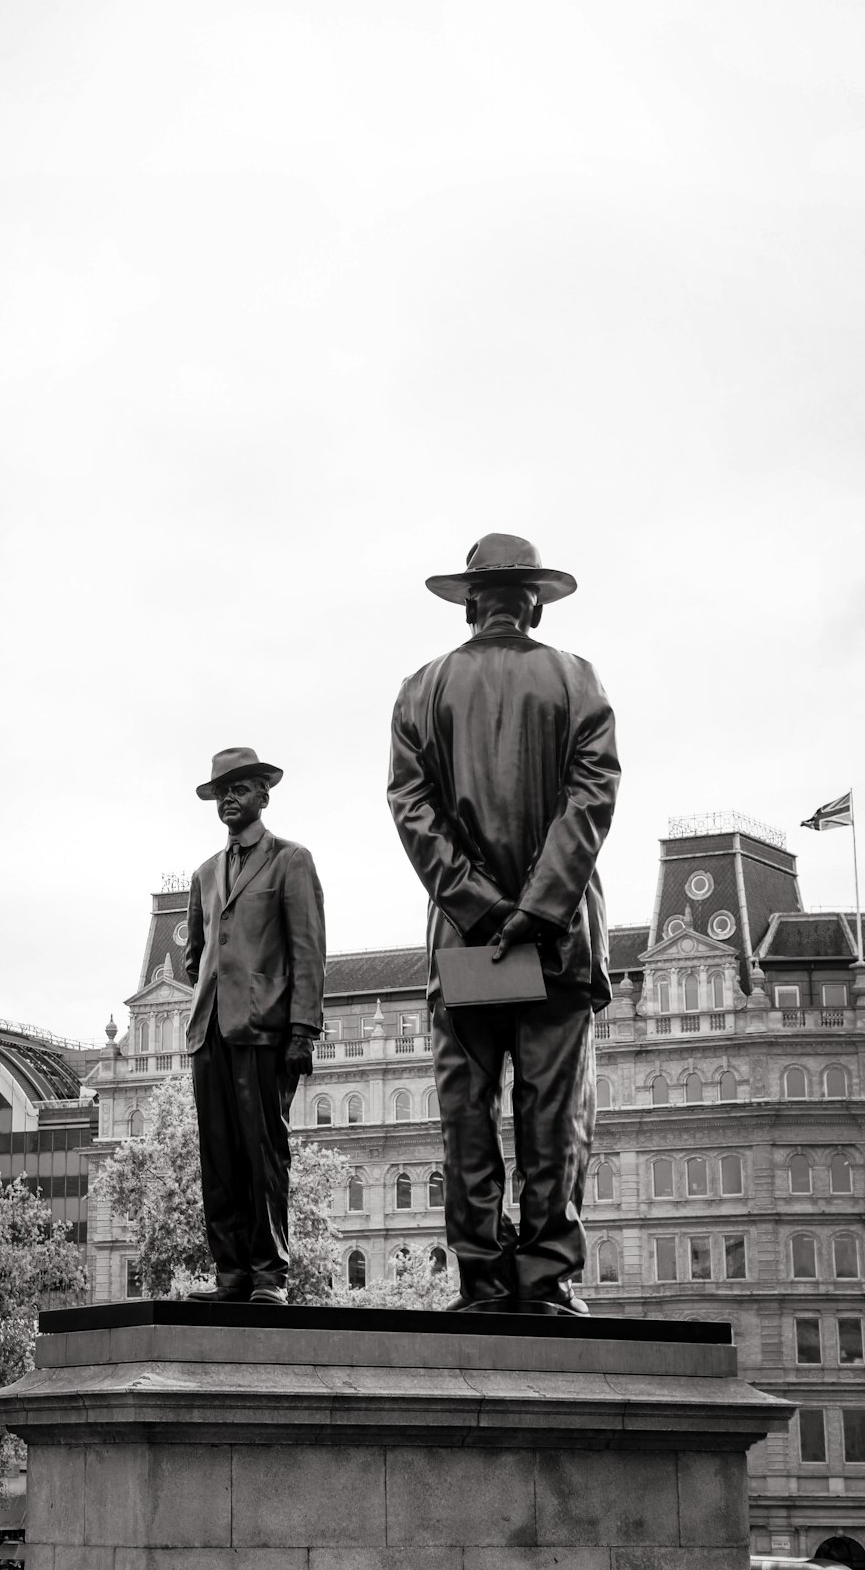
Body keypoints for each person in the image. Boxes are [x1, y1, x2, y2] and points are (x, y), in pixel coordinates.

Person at [387, 533, 620, 1315]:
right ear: (536, 601)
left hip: (466, 944)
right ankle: (547, 1279)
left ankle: (483, 1278)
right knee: (554, 1113)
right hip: (558, 942)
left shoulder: (422, 687)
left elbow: (410, 806)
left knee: (468, 1113)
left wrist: (479, 908)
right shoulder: (574, 677)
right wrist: (538, 907)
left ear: (470, 604)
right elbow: (593, 796)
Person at [185, 745, 326, 1305]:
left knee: (263, 1151)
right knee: (218, 1156)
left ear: (264, 796)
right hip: (210, 1032)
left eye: (240, 789)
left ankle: (270, 1275)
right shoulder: (204, 873)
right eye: (222, 791)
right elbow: (196, 956)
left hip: (266, 1030)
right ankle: (231, 1274)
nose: (229, 799)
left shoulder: (291, 859)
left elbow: (309, 950)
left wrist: (302, 1030)